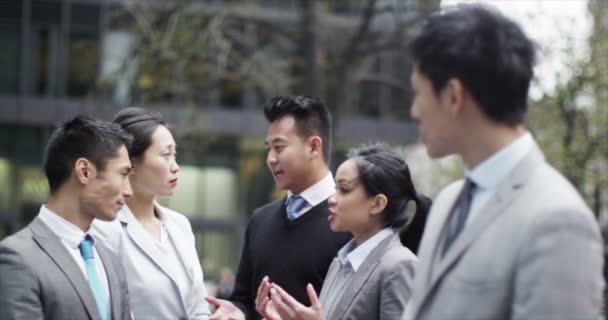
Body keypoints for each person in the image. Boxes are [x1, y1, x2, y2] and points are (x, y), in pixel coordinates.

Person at [404, 5, 604, 320]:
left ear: (454, 96)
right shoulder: (447, 201)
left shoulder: (558, 221)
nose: (414, 111)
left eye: (418, 93)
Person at [206, 96, 352, 320]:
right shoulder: (260, 220)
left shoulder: (350, 222)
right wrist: (236, 312)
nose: (270, 159)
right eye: (268, 149)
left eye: (279, 148)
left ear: (314, 147)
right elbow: (243, 299)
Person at [257, 143, 431, 320]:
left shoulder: (399, 265)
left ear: (378, 204)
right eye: (335, 189)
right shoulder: (339, 263)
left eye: (344, 189)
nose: (331, 199)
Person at [0, 116, 133, 320]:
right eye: (123, 174)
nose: (128, 191)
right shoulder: (18, 258)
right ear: (84, 171)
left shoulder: (110, 260)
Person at [92, 108, 211, 319]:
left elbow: (198, 306)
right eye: (166, 155)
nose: (176, 167)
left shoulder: (179, 225)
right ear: (131, 163)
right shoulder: (104, 229)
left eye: (175, 155)